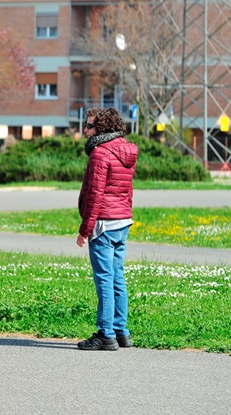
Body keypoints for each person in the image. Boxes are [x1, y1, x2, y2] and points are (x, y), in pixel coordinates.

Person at [76, 107, 138, 351]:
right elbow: (127, 191)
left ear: (101, 129)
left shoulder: (100, 154)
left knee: (104, 279)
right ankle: (122, 332)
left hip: (104, 224)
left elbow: (95, 195)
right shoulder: (126, 151)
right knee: (117, 277)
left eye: (89, 125)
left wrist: (85, 229)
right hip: (122, 221)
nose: (85, 129)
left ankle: (106, 334)